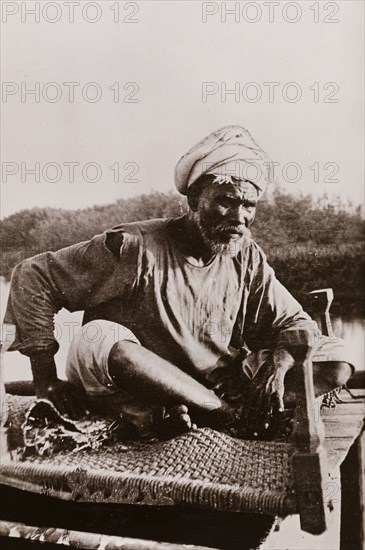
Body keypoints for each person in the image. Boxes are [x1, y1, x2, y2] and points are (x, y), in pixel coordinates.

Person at [3, 126, 353, 438]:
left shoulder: (246, 256)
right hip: (124, 378)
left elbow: (294, 322)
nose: (240, 217)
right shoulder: (134, 247)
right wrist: (45, 379)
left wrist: (278, 367)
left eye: (249, 205)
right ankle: (225, 416)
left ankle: (209, 406)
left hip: (211, 384)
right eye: (226, 202)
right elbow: (32, 276)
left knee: (336, 360)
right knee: (100, 338)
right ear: (194, 200)